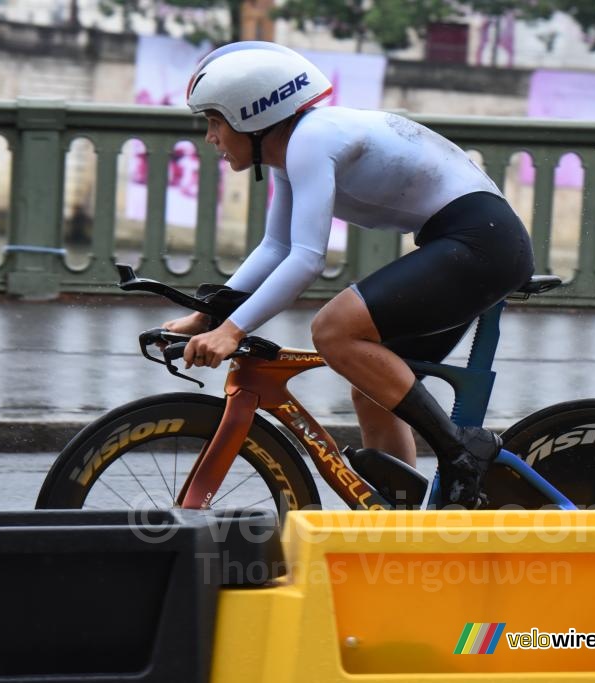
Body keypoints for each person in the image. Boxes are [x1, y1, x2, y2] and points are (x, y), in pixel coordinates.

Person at [163, 41, 534, 508]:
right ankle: (404, 517)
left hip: (482, 242)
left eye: (215, 122)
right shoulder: (290, 148)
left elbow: (306, 259)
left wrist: (233, 331)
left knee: (333, 331)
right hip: (474, 240)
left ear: (251, 116)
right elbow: (274, 248)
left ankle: (461, 454)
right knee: (372, 388)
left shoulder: (312, 140)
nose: (210, 137)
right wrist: (208, 317)